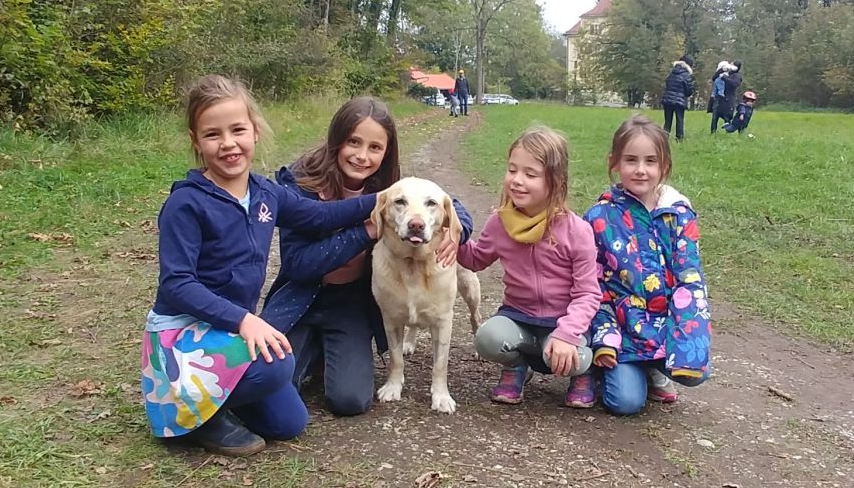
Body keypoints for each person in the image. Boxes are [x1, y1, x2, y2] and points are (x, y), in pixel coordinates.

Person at [142, 75, 377, 456]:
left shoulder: (265, 192)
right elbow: (177, 285)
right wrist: (245, 320)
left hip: (225, 335)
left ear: (254, 130)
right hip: (183, 336)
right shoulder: (186, 204)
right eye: (213, 134)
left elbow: (319, 217)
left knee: (290, 423)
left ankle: (215, 401)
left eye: (238, 130)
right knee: (278, 364)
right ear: (196, 141)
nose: (229, 144)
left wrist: (383, 200)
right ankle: (194, 415)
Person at [259, 97, 474, 416]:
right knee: (269, 386)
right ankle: (314, 350)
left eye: (375, 147)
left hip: (350, 302)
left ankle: (329, 351)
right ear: (336, 141)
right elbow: (298, 264)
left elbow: (445, 203)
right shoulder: (300, 183)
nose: (362, 156)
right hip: (300, 299)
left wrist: (460, 229)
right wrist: (368, 229)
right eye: (353, 142)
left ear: (386, 152)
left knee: (351, 400)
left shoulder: (391, 187)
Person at [458, 126, 601, 408]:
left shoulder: (577, 231)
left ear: (556, 182)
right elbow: (475, 259)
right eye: (512, 170)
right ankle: (517, 366)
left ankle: (586, 372)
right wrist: (451, 239)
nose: (517, 181)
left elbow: (588, 294)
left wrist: (568, 334)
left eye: (530, 174)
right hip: (519, 317)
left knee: (574, 359)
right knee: (487, 339)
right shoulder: (500, 222)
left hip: (562, 321)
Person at [584, 115, 711, 416]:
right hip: (622, 332)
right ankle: (599, 368)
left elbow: (690, 282)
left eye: (650, 161)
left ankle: (656, 368)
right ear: (614, 162)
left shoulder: (679, 216)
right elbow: (593, 284)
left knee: (696, 370)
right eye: (631, 160)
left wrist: (688, 346)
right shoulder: (599, 216)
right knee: (625, 403)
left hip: (663, 328)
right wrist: (604, 338)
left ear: (664, 166)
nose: (640, 170)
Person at [659, 55, 695, 143]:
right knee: (679, 120)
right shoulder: (686, 75)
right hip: (679, 100)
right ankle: (679, 139)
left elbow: (667, 84)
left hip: (668, 99)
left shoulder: (672, 72)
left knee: (667, 121)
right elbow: (689, 90)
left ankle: (664, 139)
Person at [711, 60, 743, 134]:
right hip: (718, 98)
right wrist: (721, 70)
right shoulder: (724, 71)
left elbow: (735, 84)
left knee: (727, 118)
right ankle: (713, 133)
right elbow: (714, 78)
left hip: (728, 99)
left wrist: (724, 78)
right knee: (714, 117)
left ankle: (727, 133)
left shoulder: (737, 76)